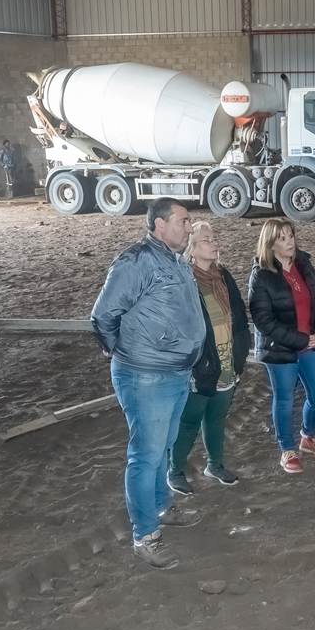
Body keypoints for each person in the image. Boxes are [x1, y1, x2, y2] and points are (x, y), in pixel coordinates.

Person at [90, 197, 206, 570]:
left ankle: (160, 507)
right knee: (146, 456)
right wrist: (119, 351)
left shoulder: (175, 260)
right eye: (183, 221)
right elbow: (104, 314)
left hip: (173, 372)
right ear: (159, 225)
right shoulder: (137, 260)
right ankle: (146, 535)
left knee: (163, 448)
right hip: (146, 375)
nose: (190, 227)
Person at [167, 221, 250, 496]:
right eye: (206, 240)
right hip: (201, 365)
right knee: (190, 421)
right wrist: (193, 363)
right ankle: (175, 470)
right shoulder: (184, 281)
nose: (214, 243)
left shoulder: (223, 276)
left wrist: (240, 355)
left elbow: (238, 316)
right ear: (192, 248)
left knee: (216, 417)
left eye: (214, 238)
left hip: (226, 361)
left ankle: (214, 465)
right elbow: (178, 326)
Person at [247, 218, 315, 475]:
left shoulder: (304, 264)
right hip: (280, 349)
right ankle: (287, 448)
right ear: (270, 244)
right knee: (284, 399)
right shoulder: (261, 275)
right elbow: (263, 320)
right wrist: (300, 339)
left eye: (291, 236)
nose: (290, 242)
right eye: (283, 238)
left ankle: (308, 435)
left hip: (310, 343)